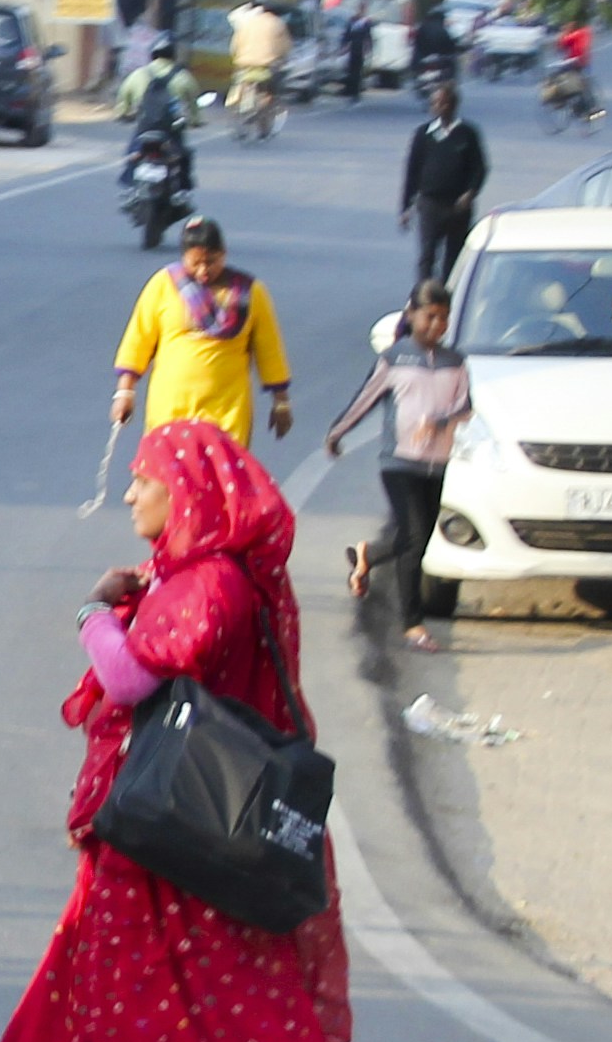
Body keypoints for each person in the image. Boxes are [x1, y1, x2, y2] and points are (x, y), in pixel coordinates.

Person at [0, 417, 369, 1042]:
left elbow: (134, 680)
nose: (131, 494)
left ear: (191, 493)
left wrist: (96, 616)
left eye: (144, 480)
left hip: (176, 861)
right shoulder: (192, 577)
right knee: (112, 1040)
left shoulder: (210, 585)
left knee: (195, 1041)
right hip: (156, 852)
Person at [325, 282, 470, 650]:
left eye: (443, 318)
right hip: (399, 462)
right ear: (412, 316)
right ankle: (413, 624)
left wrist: (439, 423)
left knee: (416, 540)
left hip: (436, 464)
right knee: (415, 534)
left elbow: (466, 407)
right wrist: (337, 432)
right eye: (429, 316)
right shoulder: (394, 359)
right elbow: (366, 398)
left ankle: (368, 555)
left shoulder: (456, 361)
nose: (436, 325)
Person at [112, 217, 295, 450]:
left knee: (220, 480)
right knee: (167, 482)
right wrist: (125, 392)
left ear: (224, 254)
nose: (203, 270)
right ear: (183, 257)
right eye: (195, 263)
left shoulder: (250, 293)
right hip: (170, 408)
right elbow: (138, 340)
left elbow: (270, 351)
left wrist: (281, 403)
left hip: (227, 412)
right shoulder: (164, 285)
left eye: (211, 261)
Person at [398, 82, 489, 286]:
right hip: (430, 204)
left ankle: (449, 297)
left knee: (454, 256)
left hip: (458, 207)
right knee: (427, 255)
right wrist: (406, 207)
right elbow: (412, 171)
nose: (440, 106)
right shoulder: (423, 135)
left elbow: (480, 168)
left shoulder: (468, 133)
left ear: (454, 104)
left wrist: (470, 193)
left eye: (445, 102)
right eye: (436, 103)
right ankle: (424, 297)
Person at [228, 0, 289, 134]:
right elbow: (285, 47)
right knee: (268, 93)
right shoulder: (278, 23)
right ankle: (263, 122)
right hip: (266, 65)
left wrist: (238, 58)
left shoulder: (247, 23)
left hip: (244, 64)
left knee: (241, 84)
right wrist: (282, 59)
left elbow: (234, 45)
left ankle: (240, 108)